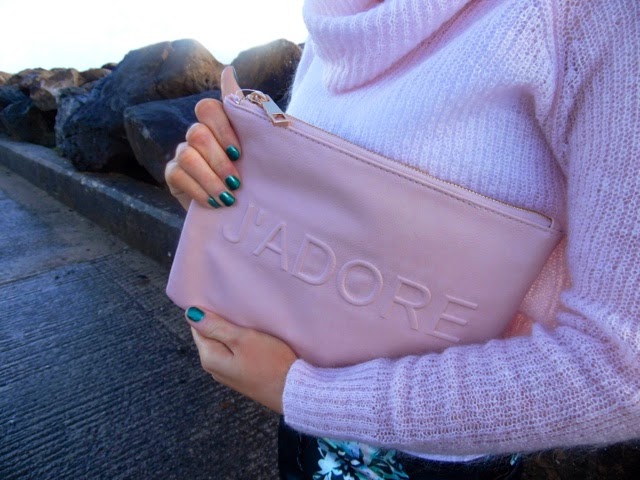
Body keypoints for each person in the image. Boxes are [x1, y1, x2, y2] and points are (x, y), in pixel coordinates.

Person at [164, 1, 640, 478]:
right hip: (305, 432)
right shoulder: (335, 14)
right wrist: (219, 190)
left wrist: (303, 394)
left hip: (428, 459)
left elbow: (623, 369)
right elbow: (327, 232)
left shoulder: (589, 16)